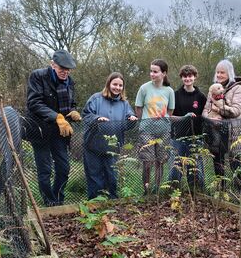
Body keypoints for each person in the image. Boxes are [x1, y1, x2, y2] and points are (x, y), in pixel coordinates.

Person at [23, 49, 80, 207]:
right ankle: (49, 202)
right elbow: (34, 103)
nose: (65, 72)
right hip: (39, 130)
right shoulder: (38, 76)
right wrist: (57, 117)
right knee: (45, 169)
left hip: (59, 132)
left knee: (64, 168)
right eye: (62, 68)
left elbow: (70, 103)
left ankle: (58, 198)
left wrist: (73, 111)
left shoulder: (70, 82)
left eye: (68, 69)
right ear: (52, 64)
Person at [82, 72, 137, 199]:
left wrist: (132, 120)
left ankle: (112, 203)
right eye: (115, 84)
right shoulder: (96, 99)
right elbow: (86, 115)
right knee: (95, 177)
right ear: (108, 84)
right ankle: (95, 204)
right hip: (93, 146)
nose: (117, 87)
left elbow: (128, 121)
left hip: (113, 147)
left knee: (112, 176)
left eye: (120, 85)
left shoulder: (124, 104)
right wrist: (97, 118)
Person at [202, 59, 241, 188]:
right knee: (217, 160)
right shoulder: (212, 90)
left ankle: (240, 191)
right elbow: (206, 109)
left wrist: (219, 109)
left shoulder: (237, 88)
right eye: (217, 72)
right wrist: (210, 118)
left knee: (235, 161)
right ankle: (221, 189)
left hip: (233, 131)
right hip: (216, 131)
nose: (219, 75)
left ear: (229, 73)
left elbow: (236, 110)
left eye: (222, 72)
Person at [135, 59, 175, 194]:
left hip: (164, 131)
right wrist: (144, 122)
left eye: (155, 72)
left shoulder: (169, 91)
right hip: (147, 131)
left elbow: (170, 111)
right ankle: (146, 191)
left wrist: (163, 119)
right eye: (151, 71)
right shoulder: (144, 88)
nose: (152, 74)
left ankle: (157, 190)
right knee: (148, 162)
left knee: (161, 161)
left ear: (164, 73)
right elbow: (138, 108)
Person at [168, 65, 207, 190]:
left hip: (196, 137)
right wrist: (184, 117)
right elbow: (170, 116)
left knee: (195, 167)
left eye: (190, 76)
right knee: (176, 166)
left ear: (195, 77)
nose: (187, 79)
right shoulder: (175, 95)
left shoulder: (201, 97)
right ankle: (173, 191)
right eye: (184, 76)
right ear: (181, 78)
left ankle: (197, 192)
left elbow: (206, 116)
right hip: (178, 137)